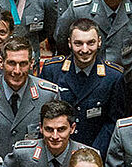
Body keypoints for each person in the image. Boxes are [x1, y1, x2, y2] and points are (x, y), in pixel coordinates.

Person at [0, 36, 60, 158]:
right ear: (1, 62)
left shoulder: (48, 95)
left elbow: (53, 141)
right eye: (11, 63)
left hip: (33, 166)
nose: (17, 71)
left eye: (23, 64)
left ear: (31, 63)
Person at [41, 18, 127, 153]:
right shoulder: (52, 71)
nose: (85, 49)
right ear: (69, 43)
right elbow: (43, 114)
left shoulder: (113, 77)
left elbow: (114, 121)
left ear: (99, 42)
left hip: (95, 149)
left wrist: (93, 152)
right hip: (57, 147)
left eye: (90, 43)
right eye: (78, 43)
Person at [4, 99, 95, 167]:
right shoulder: (22, 154)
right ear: (41, 128)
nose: (55, 136)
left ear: (72, 128)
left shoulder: (89, 158)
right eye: (49, 129)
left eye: (61, 129)